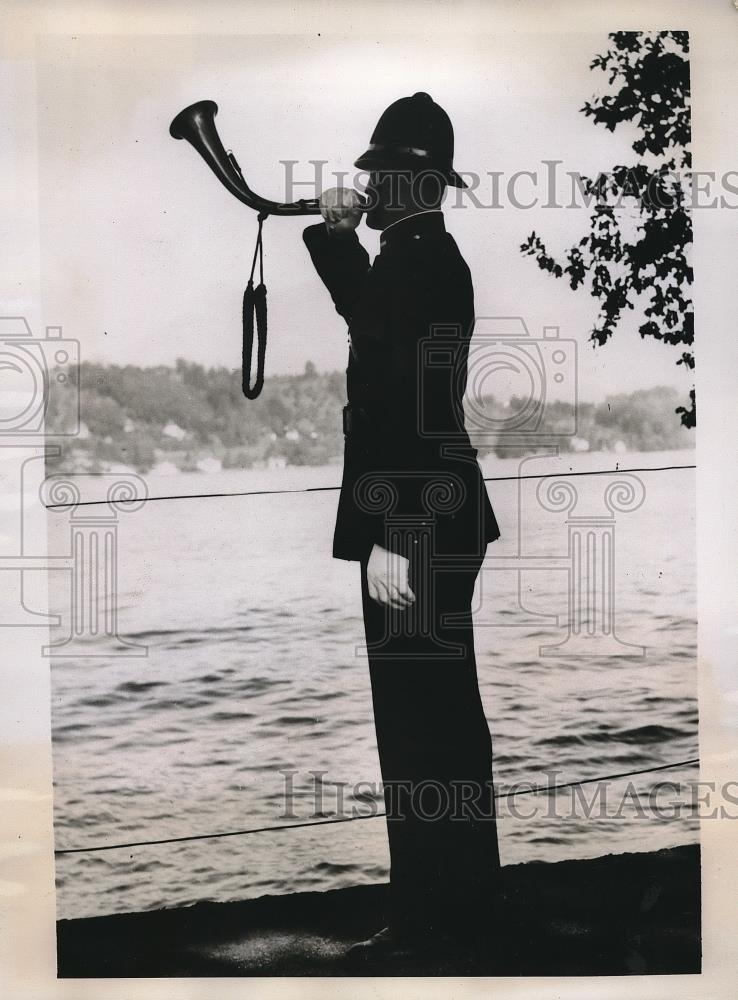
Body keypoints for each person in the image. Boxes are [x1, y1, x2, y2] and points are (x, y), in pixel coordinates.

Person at [302, 92, 503, 961]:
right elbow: (375, 330)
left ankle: (435, 924)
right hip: (433, 511)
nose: (364, 184)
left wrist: (389, 530)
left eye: (377, 173)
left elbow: (406, 403)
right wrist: (338, 239)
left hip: (414, 519)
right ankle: (456, 911)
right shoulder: (420, 258)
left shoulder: (416, 263)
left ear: (411, 180)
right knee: (439, 719)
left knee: (421, 725)